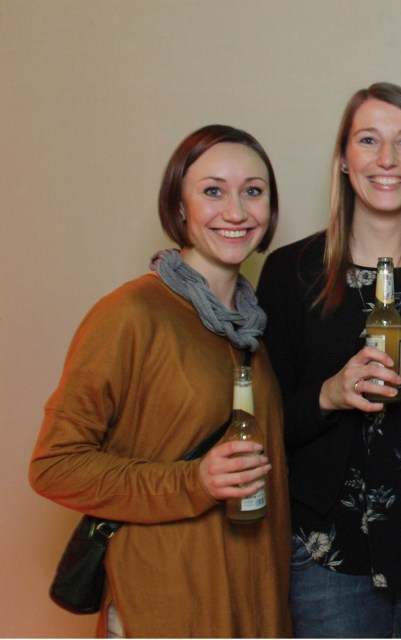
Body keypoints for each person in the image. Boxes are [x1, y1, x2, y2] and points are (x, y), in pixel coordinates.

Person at [29, 125, 291, 637]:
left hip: (251, 607)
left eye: (253, 191)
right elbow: (55, 466)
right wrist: (193, 482)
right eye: (213, 191)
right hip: (164, 606)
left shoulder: (253, 328)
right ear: (178, 208)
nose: (236, 211)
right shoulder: (131, 313)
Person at [256, 82, 401, 638]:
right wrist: (327, 395)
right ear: (343, 159)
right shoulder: (291, 273)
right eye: (368, 140)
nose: (387, 159)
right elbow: (258, 425)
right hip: (329, 558)